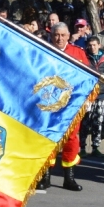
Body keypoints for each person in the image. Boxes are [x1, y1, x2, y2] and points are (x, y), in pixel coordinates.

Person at [39, 22, 86, 191]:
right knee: (48, 138)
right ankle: (45, 176)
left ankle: (69, 177)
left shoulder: (78, 53)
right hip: (49, 102)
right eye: (56, 35)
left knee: (71, 139)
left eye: (62, 35)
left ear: (68, 36)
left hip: (71, 104)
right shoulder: (44, 51)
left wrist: (86, 101)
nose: (59, 38)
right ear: (51, 36)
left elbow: (87, 79)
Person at [80, 36, 104, 157]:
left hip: (102, 94)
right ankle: (82, 147)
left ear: (99, 45)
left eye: (94, 45)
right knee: (86, 120)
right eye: (90, 45)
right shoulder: (85, 57)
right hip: (88, 95)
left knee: (98, 120)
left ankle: (96, 146)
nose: (92, 47)